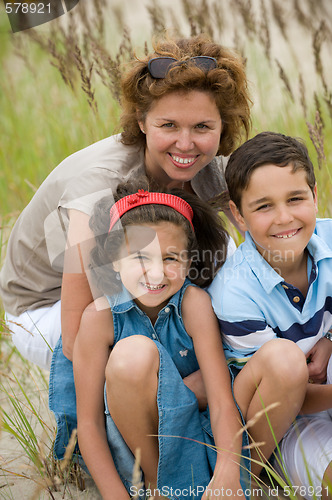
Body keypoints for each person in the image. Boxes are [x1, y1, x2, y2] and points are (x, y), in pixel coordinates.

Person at [0, 32, 251, 371]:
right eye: (168, 125)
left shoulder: (212, 166)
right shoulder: (101, 183)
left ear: (223, 126)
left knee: (232, 265)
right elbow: (77, 336)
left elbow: (269, 251)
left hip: (142, 277)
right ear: (141, 120)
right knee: (148, 354)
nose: (186, 143)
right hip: (49, 307)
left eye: (203, 126)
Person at [71, 178, 250, 500]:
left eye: (170, 259)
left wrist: (227, 469)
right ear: (114, 260)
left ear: (188, 260)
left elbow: (222, 401)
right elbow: (89, 424)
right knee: (133, 354)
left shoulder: (194, 304)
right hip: (134, 456)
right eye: (140, 257)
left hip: (195, 438)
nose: (155, 275)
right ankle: (159, 489)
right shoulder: (99, 318)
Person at [208, 131, 332, 498]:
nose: (284, 218)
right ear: (238, 215)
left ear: (314, 194)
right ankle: (264, 474)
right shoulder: (234, 292)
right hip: (286, 420)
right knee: (284, 361)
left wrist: (328, 337)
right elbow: (282, 391)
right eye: (263, 206)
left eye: (296, 198)